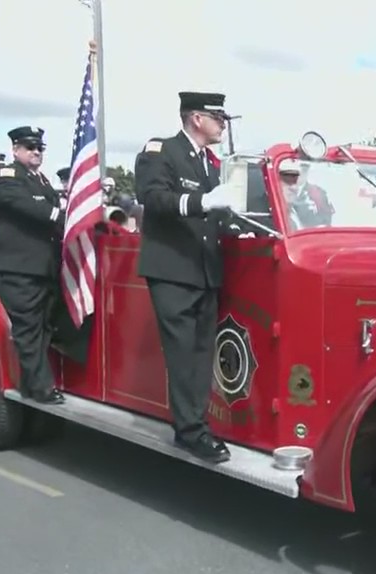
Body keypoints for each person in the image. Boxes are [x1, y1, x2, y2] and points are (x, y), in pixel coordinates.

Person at [133, 91, 244, 463]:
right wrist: (202, 202)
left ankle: (196, 424)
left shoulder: (209, 162)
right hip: (173, 270)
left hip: (203, 270)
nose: (222, 124)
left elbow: (214, 217)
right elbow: (153, 198)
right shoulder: (161, 151)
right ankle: (190, 431)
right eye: (218, 117)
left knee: (201, 354)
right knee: (183, 354)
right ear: (197, 118)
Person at [0, 125, 65, 405]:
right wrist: (60, 214)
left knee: (44, 328)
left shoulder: (42, 180)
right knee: (28, 329)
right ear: (15, 150)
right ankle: (42, 388)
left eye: (40, 148)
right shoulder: (8, 177)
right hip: (18, 268)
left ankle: (31, 384)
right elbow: (27, 208)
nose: (36, 152)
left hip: (44, 267)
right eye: (30, 147)